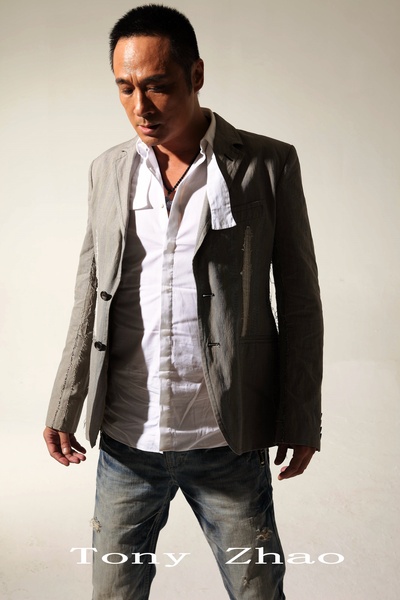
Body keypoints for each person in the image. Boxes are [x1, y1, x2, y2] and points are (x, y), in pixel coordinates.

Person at [43, 4, 323, 599]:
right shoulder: (107, 170)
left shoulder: (268, 164)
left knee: (258, 592)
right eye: (125, 88)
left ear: (196, 74)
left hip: (229, 438)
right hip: (127, 441)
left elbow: (300, 300)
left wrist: (300, 414)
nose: (140, 106)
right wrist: (66, 399)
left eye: (157, 85)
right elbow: (90, 291)